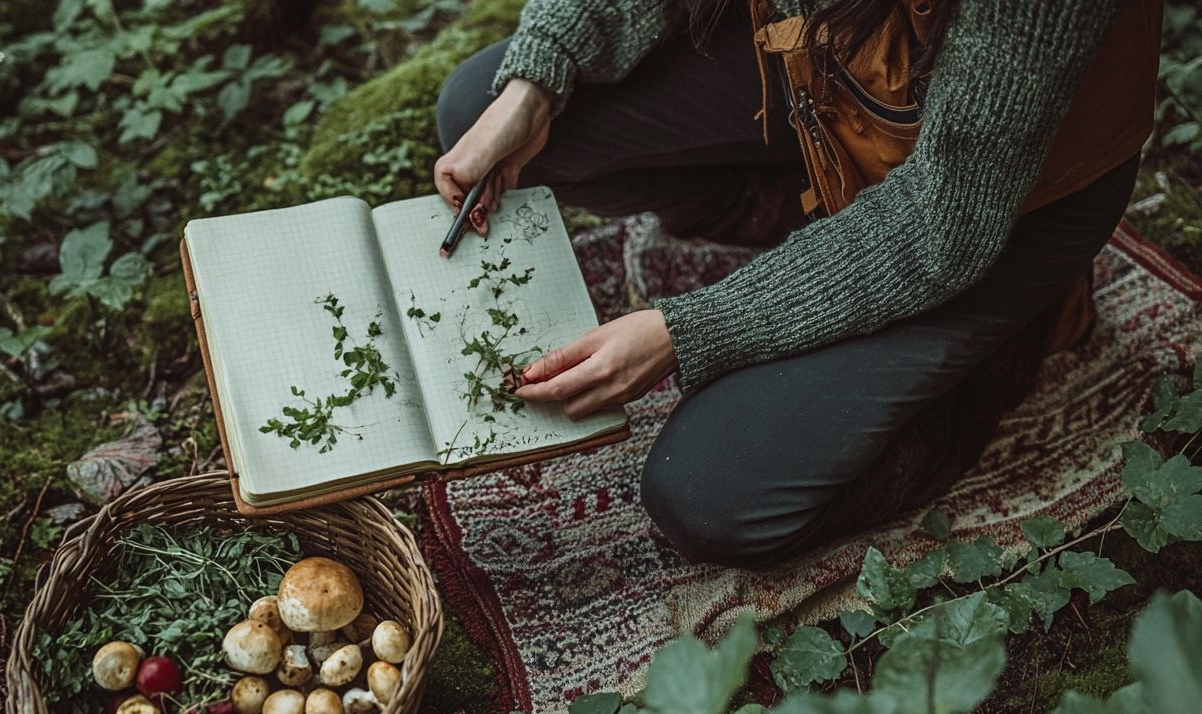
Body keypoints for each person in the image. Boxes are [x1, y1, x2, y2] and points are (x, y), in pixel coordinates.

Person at [433, 0, 1160, 569]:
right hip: (840, 81)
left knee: (711, 495)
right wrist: (535, 81)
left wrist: (689, 329)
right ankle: (816, 218)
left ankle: (1008, 337)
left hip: (997, 201)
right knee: (480, 104)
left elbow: (942, 223)